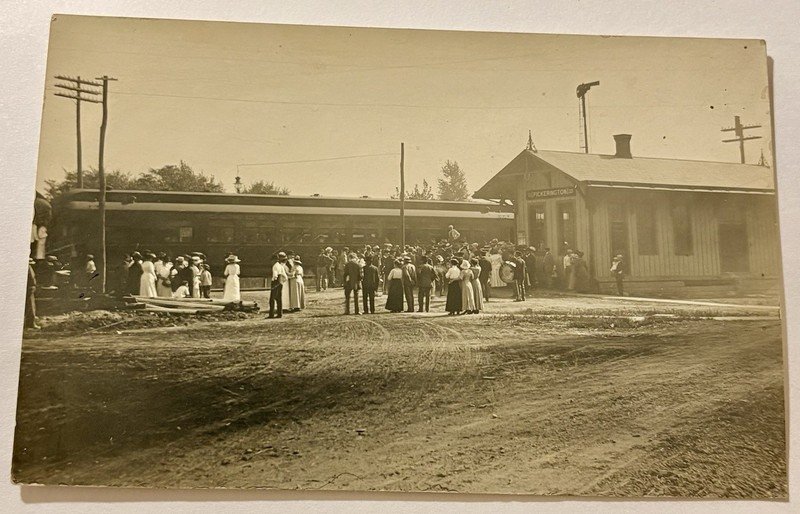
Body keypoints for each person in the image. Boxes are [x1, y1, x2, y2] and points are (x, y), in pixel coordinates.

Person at [268, 252, 288, 318]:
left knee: (272, 299)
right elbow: (285, 277)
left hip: (275, 282)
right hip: (280, 283)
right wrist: (282, 282)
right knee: (279, 299)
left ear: (273, 260)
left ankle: (271, 314)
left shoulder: (275, 266)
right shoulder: (280, 266)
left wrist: (274, 281)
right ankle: (280, 314)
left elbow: (275, 275)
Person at [24, 259, 39, 329]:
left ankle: (29, 322)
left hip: (28, 287)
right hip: (29, 287)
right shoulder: (28, 268)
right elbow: (32, 278)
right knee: (30, 306)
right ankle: (30, 323)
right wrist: (33, 286)